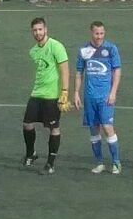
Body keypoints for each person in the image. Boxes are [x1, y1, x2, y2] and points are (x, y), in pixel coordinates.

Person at [72, 21, 122, 174]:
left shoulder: (111, 48)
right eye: (96, 33)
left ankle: (116, 162)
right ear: (91, 33)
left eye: (102, 33)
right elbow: (79, 73)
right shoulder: (84, 50)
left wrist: (113, 92)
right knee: (94, 130)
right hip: (89, 97)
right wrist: (76, 92)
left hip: (105, 97)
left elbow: (117, 71)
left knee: (107, 127)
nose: (99, 37)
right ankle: (99, 163)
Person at [23, 17, 69, 174]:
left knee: (54, 128)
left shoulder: (56, 46)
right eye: (35, 30)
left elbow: (64, 69)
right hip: (37, 93)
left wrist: (64, 92)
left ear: (46, 29)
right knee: (27, 124)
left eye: (40, 29)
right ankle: (31, 153)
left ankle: (50, 163)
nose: (37, 33)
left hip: (52, 96)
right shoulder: (33, 51)